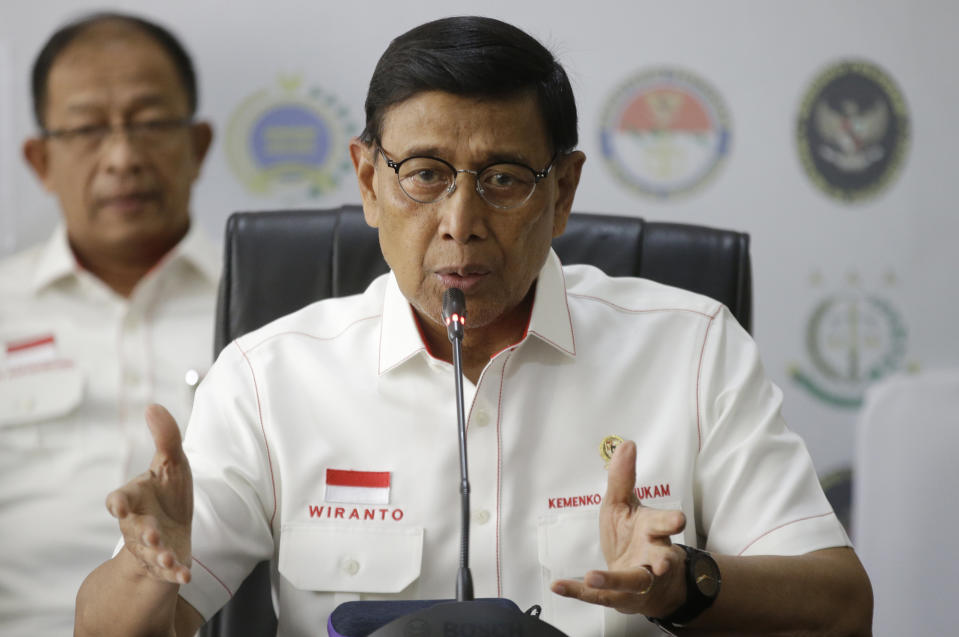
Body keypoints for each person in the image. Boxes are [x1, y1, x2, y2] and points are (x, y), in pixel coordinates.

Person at [75, 16, 872, 637]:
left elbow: (838, 605)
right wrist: (150, 569)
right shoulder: (266, 377)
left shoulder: (691, 349)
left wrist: (684, 583)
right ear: (367, 181)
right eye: (424, 175)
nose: (460, 222)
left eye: (502, 179)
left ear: (562, 192)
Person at [0, 12, 216, 636]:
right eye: (89, 129)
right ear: (41, 160)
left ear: (198, 146)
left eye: (150, 125)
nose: (122, 158)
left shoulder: (272, 311)